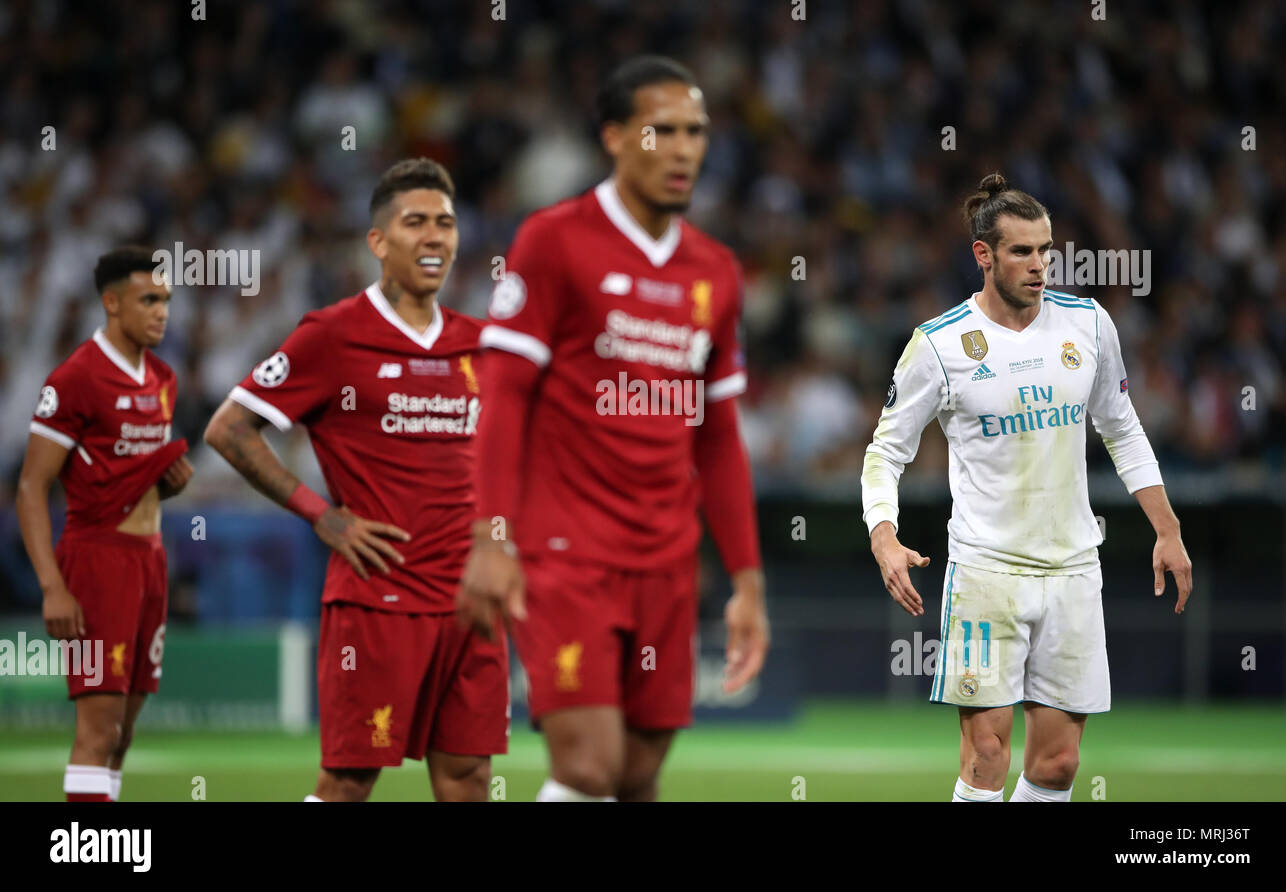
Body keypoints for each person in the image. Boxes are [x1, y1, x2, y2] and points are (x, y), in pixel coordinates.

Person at [458, 56, 769, 802]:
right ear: (615, 137)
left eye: (696, 131)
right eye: (663, 130)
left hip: (666, 558)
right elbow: (501, 396)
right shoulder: (554, 240)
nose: (685, 149)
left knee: (634, 779)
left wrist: (748, 580)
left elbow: (718, 435)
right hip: (565, 551)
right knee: (587, 768)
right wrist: (490, 538)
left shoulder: (716, 272)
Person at [862, 173, 1194, 802]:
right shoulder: (938, 346)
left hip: (1073, 567)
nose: (1040, 265)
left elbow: (1122, 429)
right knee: (986, 757)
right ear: (983, 256)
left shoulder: (1089, 325)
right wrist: (884, 534)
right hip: (986, 570)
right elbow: (885, 451)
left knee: (1059, 765)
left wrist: (1168, 529)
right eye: (1021, 251)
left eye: (1046, 249)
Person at [204, 158, 506, 802]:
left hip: (470, 601)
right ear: (378, 242)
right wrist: (322, 514)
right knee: (348, 780)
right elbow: (228, 429)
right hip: (380, 594)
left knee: (470, 777)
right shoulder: (333, 335)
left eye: (446, 224)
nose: (435, 237)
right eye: (416, 222)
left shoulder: (480, 345)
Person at [16, 245, 193, 802]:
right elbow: (29, 487)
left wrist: (166, 482)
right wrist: (53, 586)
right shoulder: (75, 378)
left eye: (165, 299)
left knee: (123, 734)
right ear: (111, 303)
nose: (161, 311)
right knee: (96, 731)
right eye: (148, 300)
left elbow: (125, 470)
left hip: (150, 560)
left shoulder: (163, 378)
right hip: (95, 561)